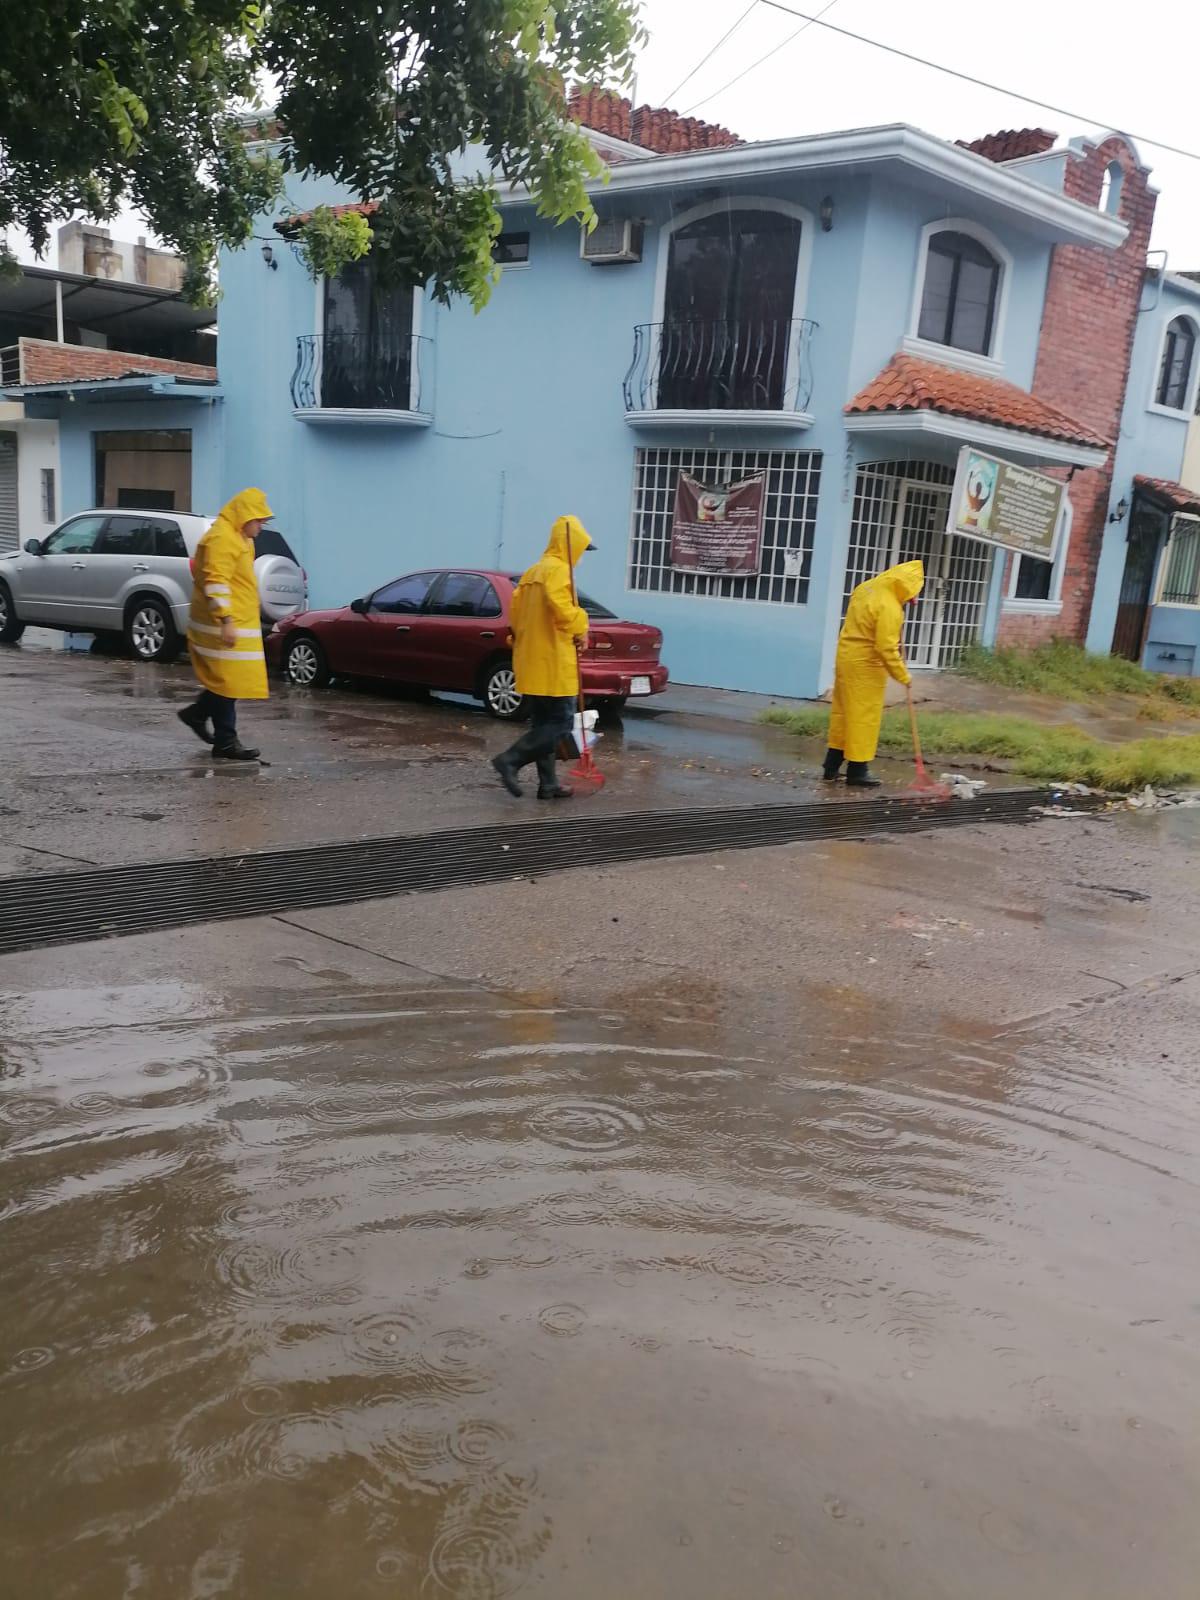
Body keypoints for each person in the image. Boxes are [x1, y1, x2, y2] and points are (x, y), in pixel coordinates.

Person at [491, 515, 593, 800]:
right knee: (559, 724)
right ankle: (510, 760)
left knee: (543, 724)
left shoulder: (531, 573)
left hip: (531, 660)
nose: (582, 556)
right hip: (554, 662)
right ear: (572, 546)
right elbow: (562, 610)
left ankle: (548, 784)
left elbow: (516, 618)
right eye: (582, 550)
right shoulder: (559, 572)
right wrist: (581, 626)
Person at [177, 487, 273, 761]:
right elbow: (215, 581)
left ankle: (198, 716)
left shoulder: (240, 538)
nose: (261, 527)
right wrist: (226, 619)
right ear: (245, 516)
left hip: (236, 623)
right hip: (220, 626)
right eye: (259, 521)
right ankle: (225, 741)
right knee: (228, 683)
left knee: (229, 682)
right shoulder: (222, 539)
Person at [824, 559, 924, 788]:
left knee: (843, 714)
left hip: (845, 657)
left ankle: (830, 767)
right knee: (863, 718)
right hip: (865, 666)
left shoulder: (865, 588)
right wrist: (903, 675)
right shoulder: (890, 607)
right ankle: (858, 771)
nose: (914, 599)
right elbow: (885, 648)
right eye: (914, 592)